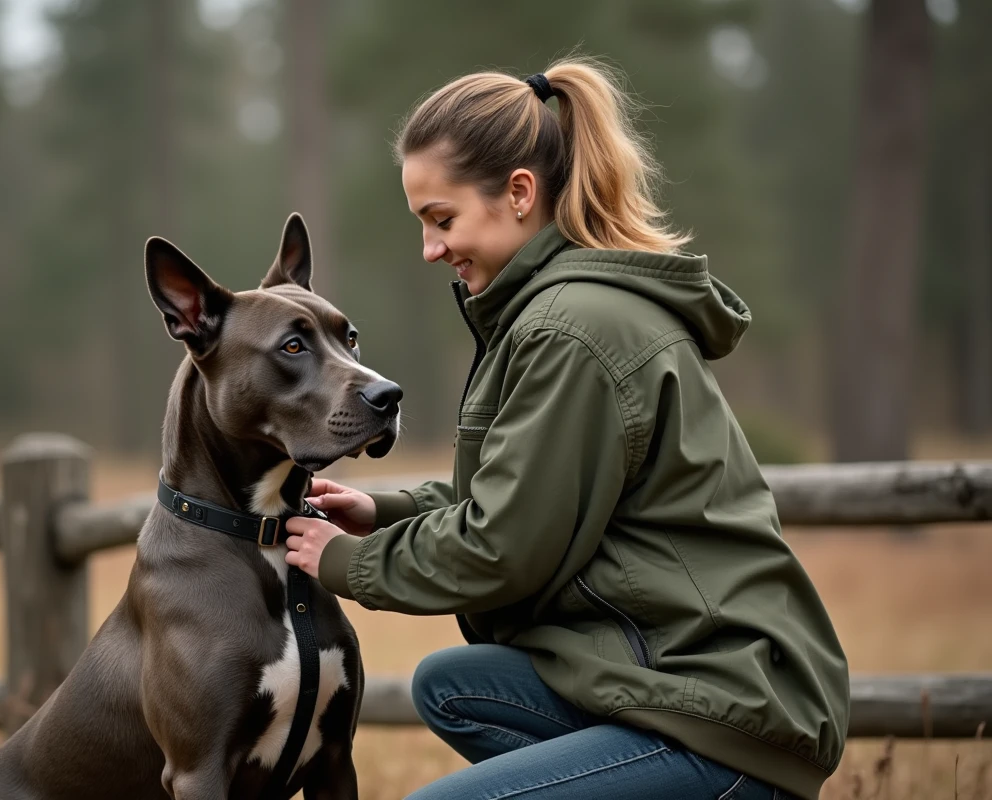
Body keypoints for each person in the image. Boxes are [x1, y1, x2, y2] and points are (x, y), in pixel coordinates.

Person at [284, 57, 849, 800]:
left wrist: (348, 564)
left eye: (441, 220)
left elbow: (504, 548)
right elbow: (527, 494)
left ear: (519, 193)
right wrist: (386, 513)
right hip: (684, 670)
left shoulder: (572, 331)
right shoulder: (556, 312)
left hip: (726, 710)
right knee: (454, 686)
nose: (430, 250)